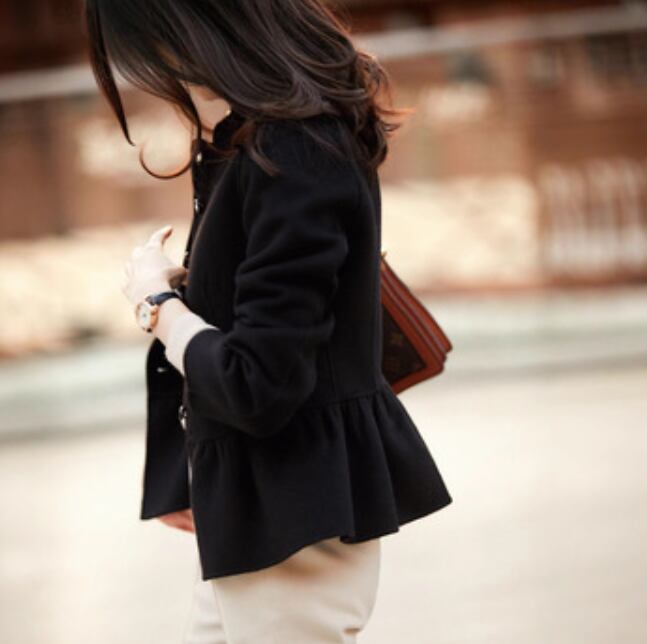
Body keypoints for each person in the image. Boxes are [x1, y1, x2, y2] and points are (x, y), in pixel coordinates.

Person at [85, 1, 453, 642]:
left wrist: (156, 305)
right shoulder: (265, 139)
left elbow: (258, 381)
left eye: (156, 51)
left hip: (295, 510)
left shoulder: (294, 148)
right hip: (262, 505)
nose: (161, 74)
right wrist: (186, 474)